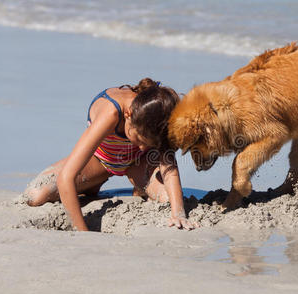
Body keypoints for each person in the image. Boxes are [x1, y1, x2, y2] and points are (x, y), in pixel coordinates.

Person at [22, 78, 196, 231]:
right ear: (128, 115)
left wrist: (178, 213)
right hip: (99, 161)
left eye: (149, 144)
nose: (143, 147)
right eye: (140, 140)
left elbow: (168, 165)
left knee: (167, 200)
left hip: (137, 163)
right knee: (35, 195)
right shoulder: (111, 112)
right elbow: (66, 178)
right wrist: (83, 234)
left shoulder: (159, 114)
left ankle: (138, 187)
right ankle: (93, 182)